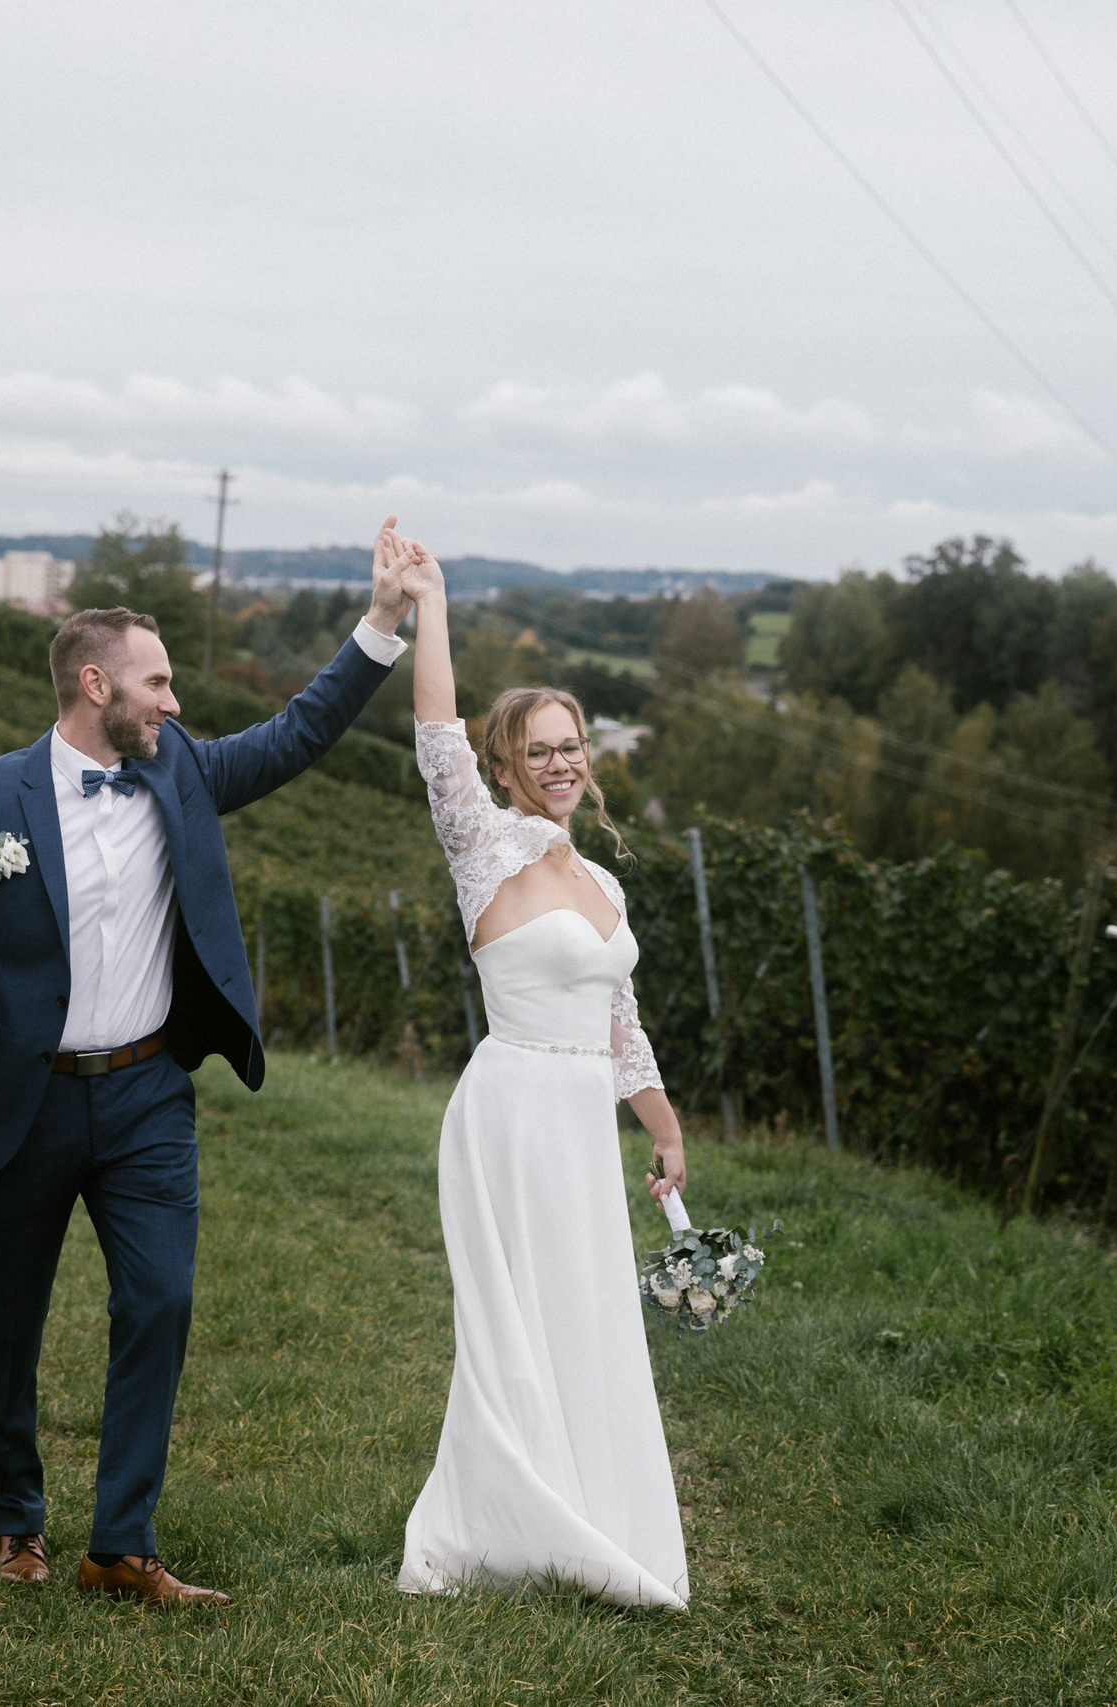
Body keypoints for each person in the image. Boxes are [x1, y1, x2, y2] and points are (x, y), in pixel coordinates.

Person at [0, 522, 419, 1606]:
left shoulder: (178, 771)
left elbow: (298, 733)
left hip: (144, 1095)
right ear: (97, 684)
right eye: (159, 681)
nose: (175, 702)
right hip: (19, 1102)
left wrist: (379, 623)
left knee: (162, 1301)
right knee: (6, 1329)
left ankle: (118, 1546)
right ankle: (17, 1528)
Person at [388, 532, 691, 1609]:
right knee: (513, 1320)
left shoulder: (601, 877)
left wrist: (660, 1126)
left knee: (585, 1310)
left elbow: (619, 1021)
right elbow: (434, 732)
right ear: (506, 766)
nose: (562, 763)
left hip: (580, 1116)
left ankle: (586, 1507)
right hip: (511, 1109)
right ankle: (501, 1519)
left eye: (573, 746)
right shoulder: (485, 845)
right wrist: (432, 602)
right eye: (539, 750)